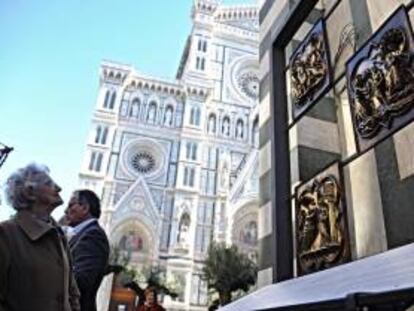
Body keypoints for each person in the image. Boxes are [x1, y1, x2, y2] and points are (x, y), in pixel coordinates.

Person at [0, 163, 80, 311]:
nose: (59, 188)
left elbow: (72, 292)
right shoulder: (5, 234)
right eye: (49, 183)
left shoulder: (58, 235)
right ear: (30, 192)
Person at [65, 189, 110, 311]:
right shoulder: (83, 234)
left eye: (70, 205)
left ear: (84, 208)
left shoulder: (93, 235)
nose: (65, 211)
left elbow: (81, 281)